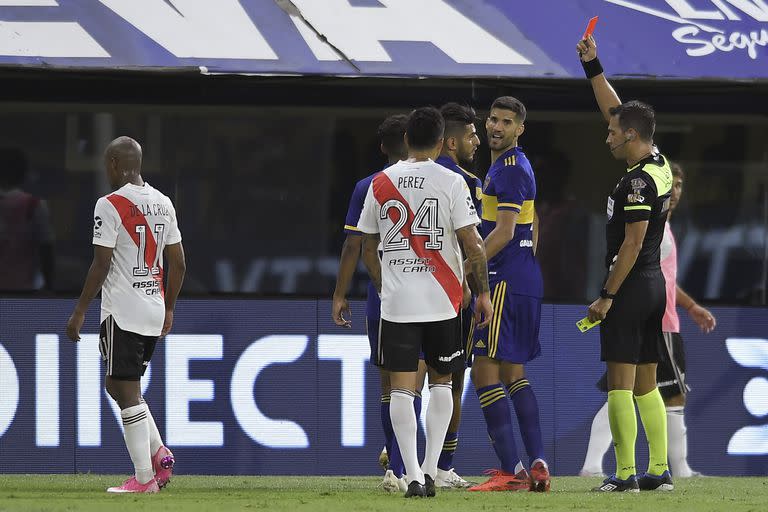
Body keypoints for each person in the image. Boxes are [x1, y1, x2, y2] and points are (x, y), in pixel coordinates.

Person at [357, 107, 493, 498]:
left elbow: (368, 245)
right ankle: (433, 467)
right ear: (439, 142)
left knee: (401, 389)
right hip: (443, 300)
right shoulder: (452, 182)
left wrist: (385, 287)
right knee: (442, 383)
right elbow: (474, 244)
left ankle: (413, 475)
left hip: (398, 302)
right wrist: (481, 293)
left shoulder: (380, 183)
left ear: (406, 140)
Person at [578, 34, 674, 492]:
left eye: (614, 132)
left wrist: (606, 296)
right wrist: (594, 68)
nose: (608, 134)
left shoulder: (637, 186)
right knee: (647, 385)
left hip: (631, 287)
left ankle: (623, 475)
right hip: (656, 288)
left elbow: (631, 245)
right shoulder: (659, 162)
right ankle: (658, 470)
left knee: (620, 384)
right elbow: (616, 111)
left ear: (631, 135)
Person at [579, 162, 717, 478]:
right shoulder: (652, 228)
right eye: (673, 184)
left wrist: (692, 306)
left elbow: (666, 279)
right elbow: (648, 272)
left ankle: (612, 467)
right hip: (659, 320)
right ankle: (669, 470)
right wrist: (608, 295)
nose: (676, 192)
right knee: (661, 393)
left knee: (625, 388)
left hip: (649, 313)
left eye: (681, 185)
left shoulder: (660, 227)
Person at [65, 136, 186, 493]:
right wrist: (169, 307)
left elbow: (101, 263)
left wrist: (79, 310)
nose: (106, 169)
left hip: (122, 311)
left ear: (116, 164)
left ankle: (145, 480)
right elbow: (178, 264)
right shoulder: (164, 203)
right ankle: (159, 454)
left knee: (126, 391)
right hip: (152, 309)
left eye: (107, 163)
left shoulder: (109, 204)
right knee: (117, 385)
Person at [331, 114, 428, 493]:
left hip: (386, 288)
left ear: (382, 147)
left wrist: (340, 294)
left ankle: (399, 463)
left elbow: (354, 244)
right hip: (432, 287)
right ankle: (418, 465)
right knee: (419, 382)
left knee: (390, 382)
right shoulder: (440, 179)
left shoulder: (368, 185)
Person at [466, 97, 550, 493]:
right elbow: (534, 229)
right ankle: (536, 464)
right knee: (514, 373)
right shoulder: (512, 167)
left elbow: (503, 231)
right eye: (493, 119)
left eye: (506, 122)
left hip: (501, 281)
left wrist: (469, 265)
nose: (496, 127)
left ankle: (511, 471)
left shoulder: (511, 170)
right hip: (523, 279)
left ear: (520, 129)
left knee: (484, 371)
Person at [432, 102, 483, 489]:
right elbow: (472, 244)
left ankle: (399, 461)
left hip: (407, 288)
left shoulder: (401, 177)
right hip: (452, 293)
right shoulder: (465, 181)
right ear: (451, 141)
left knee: (407, 377)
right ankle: (443, 463)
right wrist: (478, 289)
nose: (477, 141)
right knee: (452, 377)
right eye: (470, 134)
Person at [0, 148, 54, 291]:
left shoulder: (33, 206)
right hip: (22, 291)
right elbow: (46, 250)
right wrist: (49, 287)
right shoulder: (34, 206)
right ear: (23, 174)